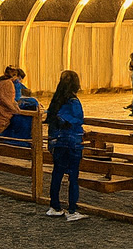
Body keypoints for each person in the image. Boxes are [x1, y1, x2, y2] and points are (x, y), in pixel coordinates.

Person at [44, 70, 87, 221]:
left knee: (57, 174)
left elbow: (51, 120)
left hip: (58, 143)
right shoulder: (73, 101)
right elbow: (78, 119)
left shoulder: (56, 100)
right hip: (73, 142)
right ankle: (72, 210)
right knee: (73, 177)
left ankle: (54, 206)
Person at [0, 66, 25, 140]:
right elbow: (9, 103)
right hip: (0, 121)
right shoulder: (8, 84)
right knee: (22, 121)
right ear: (15, 75)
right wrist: (18, 110)